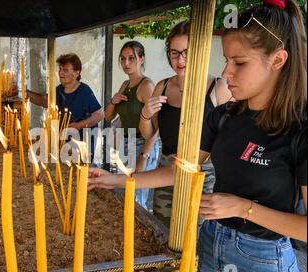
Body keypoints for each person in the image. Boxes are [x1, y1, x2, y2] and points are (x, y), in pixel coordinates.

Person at [88, 0, 306, 272]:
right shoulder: (225, 116)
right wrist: (115, 180)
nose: (227, 72)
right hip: (209, 245)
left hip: (263, 264)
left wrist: (243, 208)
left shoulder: (299, 128)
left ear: (278, 60)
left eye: (239, 62)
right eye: (226, 59)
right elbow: (182, 170)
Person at [139, 21, 232, 225]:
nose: (180, 59)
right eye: (174, 53)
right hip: (166, 168)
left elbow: (233, 137)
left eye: (186, 52)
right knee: (163, 232)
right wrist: (145, 114)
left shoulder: (219, 88)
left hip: (203, 174)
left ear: (199, 52)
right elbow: (150, 134)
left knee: (196, 238)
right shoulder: (162, 87)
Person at [104, 41, 159, 212]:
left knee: (137, 198)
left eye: (131, 58)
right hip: (125, 143)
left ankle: (137, 235)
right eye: (122, 59)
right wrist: (113, 102)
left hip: (143, 144)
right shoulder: (125, 85)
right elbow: (108, 116)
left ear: (141, 59)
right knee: (125, 193)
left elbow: (156, 128)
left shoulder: (147, 86)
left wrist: (144, 157)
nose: (126, 63)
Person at [27, 53, 104, 159]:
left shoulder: (84, 91)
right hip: (64, 146)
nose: (60, 73)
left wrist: (79, 125)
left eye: (65, 70)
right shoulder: (59, 90)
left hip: (82, 145)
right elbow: (44, 101)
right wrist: (24, 92)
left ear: (77, 73)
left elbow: (99, 115)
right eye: (60, 69)